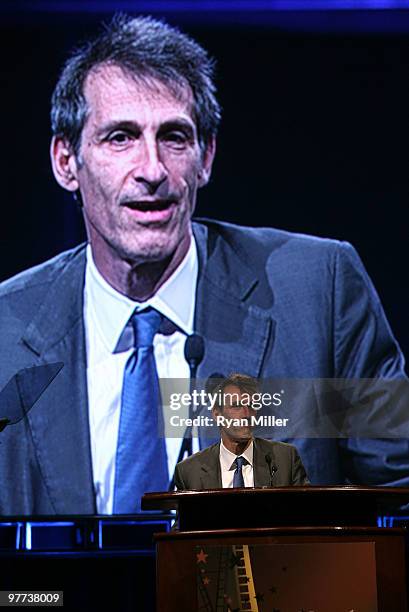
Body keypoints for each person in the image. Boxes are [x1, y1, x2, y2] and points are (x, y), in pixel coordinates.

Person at [0, 14, 408, 515]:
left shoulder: (318, 293)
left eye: (174, 137)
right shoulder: (6, 334)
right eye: (120, 138)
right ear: (67, 162)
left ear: (205, 157)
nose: (152, 170)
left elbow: (401, 497)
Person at [174, 374, 309, 490]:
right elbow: (186, 520)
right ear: (217, 415)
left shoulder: (285, 459)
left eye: (251, 406)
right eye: (236, 406)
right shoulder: (189, 471)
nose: (246, 414)